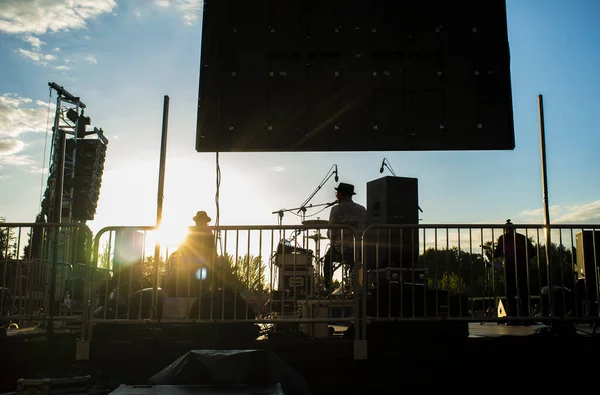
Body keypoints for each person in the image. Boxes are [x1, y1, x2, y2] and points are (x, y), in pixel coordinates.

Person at [323, 182, 367, 293]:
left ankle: (328, 287)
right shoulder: (362, 209)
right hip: (361, 250)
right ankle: (358, 287)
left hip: (342, 250)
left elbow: (331, 233)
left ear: (342, 194)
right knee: (357, 263)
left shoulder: (336, 209)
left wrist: (331, 239)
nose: (336, 195)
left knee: (327, 259)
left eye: (337, 193)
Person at [494, 219, 536, 321]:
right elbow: (533, 252)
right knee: (523, 292)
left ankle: (513, 316)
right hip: (522, 267)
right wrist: (525, 259)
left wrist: (492, 255)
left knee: (510, 292)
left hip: (509, 267)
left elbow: (497, 254)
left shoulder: (503, 238)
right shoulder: (522, 237)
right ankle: (525, 316)